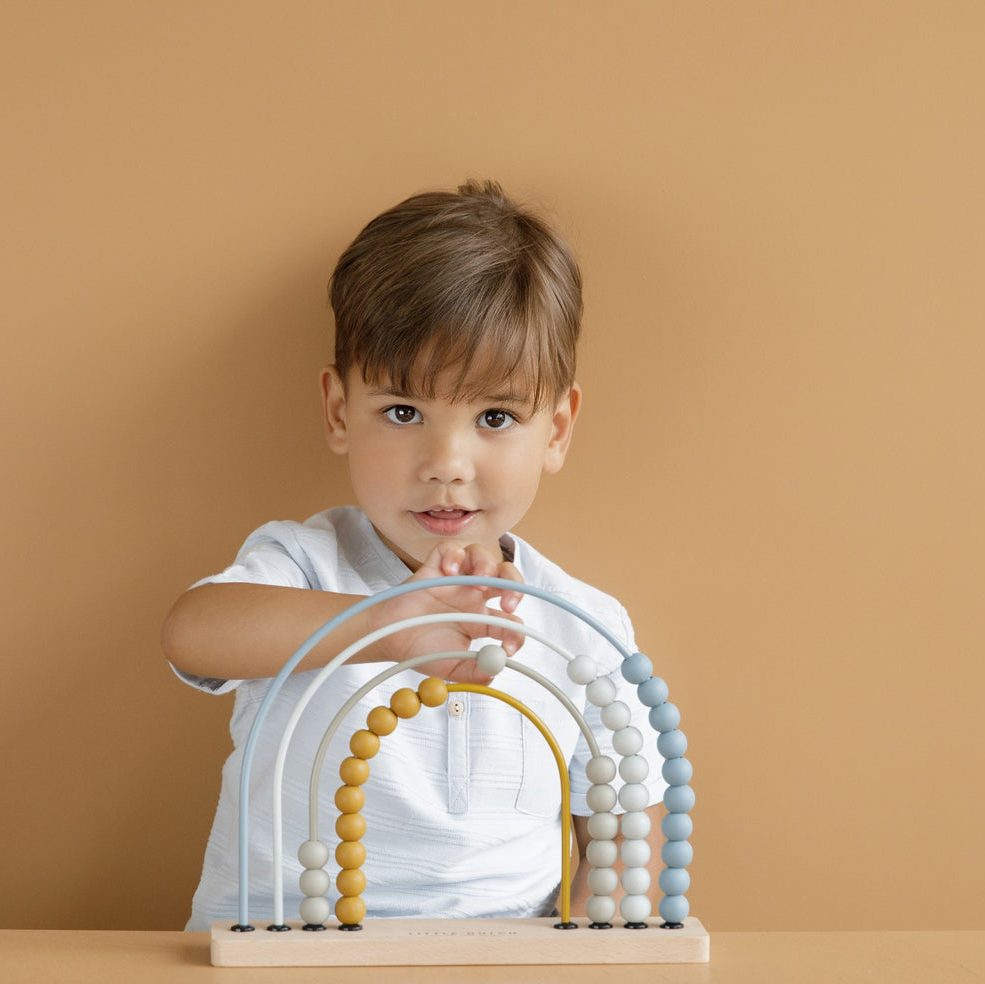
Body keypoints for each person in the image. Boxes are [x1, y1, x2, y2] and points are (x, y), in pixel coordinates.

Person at [162, 180, 665, 929]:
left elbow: (626, 836)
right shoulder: (304, 565)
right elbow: (195, 633)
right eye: (403, 412)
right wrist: (390, 624)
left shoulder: (584, 627)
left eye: (496, 416)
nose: (446, 462)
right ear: (339, 412)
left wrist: (584, 959)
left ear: (557, 430)